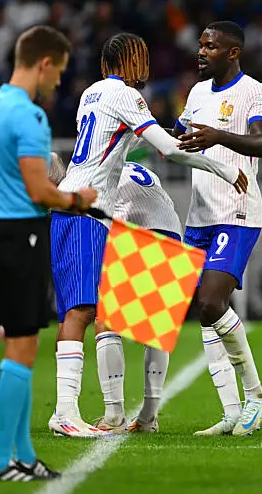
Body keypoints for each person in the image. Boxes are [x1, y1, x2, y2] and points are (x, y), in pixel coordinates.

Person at [49, 32, 247, 437]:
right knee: (87, 312)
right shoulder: (125, 94)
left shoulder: (90, 94)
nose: (146, 68)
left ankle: (110, 414)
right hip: (91, 210)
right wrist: (224, 168)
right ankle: (68, 412)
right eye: (141, 58)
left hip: (88, 209)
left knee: (98, 312)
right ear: (126, 61)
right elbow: (168, 151)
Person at [0, 25, 97, 481]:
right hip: (18, 237)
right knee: (21, 352)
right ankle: (1, 460)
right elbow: (40, 189)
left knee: (16, 347)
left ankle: (21, 454)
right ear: (44, 63)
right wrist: (78, 199)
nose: (58, 83)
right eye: (59, 72)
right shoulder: (30, 117)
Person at [172, 21, 262, 437]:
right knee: (203, 311)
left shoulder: (254, 91)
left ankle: (256, 396)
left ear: (232, 53)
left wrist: (218, 135)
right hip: (199, 214)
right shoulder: (196, 93)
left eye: (210, 46)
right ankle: (231, 411)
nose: (201, 52)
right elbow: (181, 136)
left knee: (213, 304)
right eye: (200, 45)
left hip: (237, 211)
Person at [48, 154, 178, 435]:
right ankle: (148, 417)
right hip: (169, 225)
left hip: (128, 224)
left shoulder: (83, 179)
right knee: (155, 328)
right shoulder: (124, 162)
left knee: (105, 319)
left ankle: (114, 414)